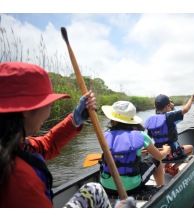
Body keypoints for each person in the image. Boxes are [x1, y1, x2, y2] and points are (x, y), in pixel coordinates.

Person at [0, 62, 113, 208]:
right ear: (26, 111)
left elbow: (46, 145)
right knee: (95, 190)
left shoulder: (11, 143)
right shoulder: (22, 180)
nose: (48, 113)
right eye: (48, 104)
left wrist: (74, 120)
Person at [99, 101, 171, 194]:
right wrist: (165, 150)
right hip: (131, 187)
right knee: (156, 160)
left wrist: (138, 153)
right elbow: (159, 156)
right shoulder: (141, 135)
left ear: (113, 119)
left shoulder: (104, 136)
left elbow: (117, 154)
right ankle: (161, 189)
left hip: (106, 186)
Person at [145, 94, 194, 162]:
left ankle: (166, 166)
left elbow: (148, 139)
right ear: (167, 106)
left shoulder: (150, 120)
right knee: (190, 147)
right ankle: (177, 165)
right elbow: (185, 110)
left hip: (159, 153)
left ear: (155, 106)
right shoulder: (169, 116)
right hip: (172, 153)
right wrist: (191, 99)